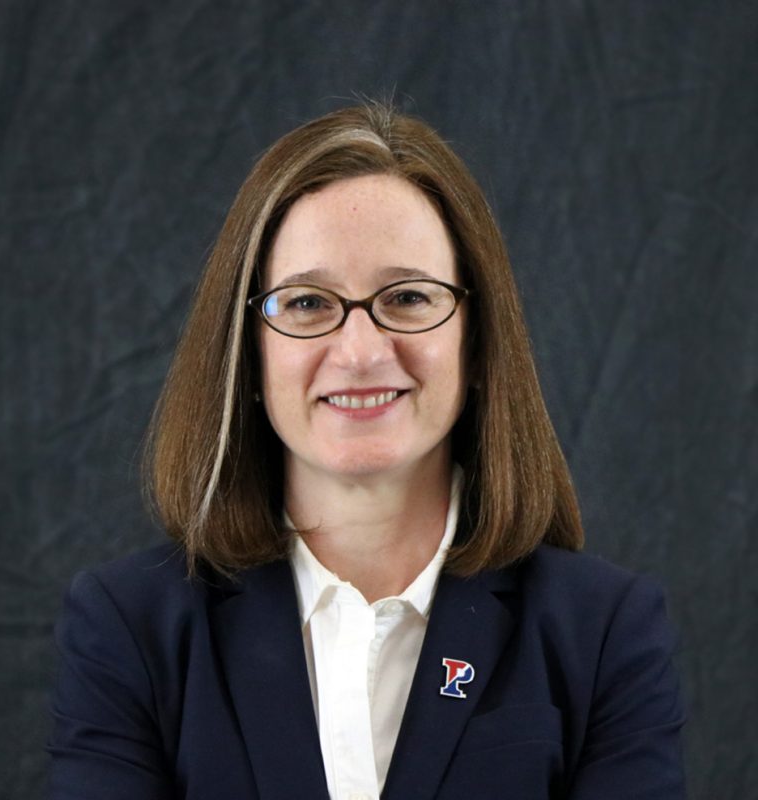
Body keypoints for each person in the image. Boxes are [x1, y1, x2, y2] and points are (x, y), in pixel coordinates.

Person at [47, 102, 686, 799]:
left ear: (476, 341)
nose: (359, 352)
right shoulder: (130, 629)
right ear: (248, 352)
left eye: (408, 297)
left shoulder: (603, 632)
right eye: (307, 303)